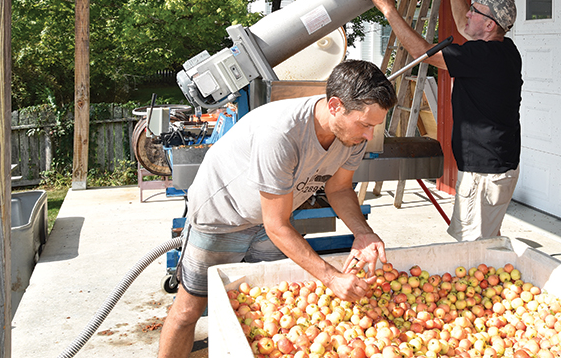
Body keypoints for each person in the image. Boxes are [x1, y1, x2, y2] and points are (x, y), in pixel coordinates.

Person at [157, 60, 398, 358]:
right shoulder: (282, 132)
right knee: (189, 310)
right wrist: (332, 277)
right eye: (364, 124)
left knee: (270, 305)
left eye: (374, 125)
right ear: (335, 106)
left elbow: (338, 188)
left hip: (271, 219)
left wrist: (364, 233)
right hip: (221, 216)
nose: (368, 135)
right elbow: (277, 226)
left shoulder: (353, 136)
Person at [366, 0, 522, 242]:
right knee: (487, 240)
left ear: (489, 25)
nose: (468, 13)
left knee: (472, 248)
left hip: (483, 174)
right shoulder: (505, 50)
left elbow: (421, 52)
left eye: (475, 10)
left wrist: (389, 10)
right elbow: (464, 26)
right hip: (497, 166)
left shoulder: (481, 56)